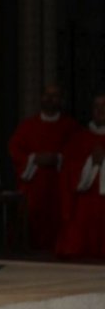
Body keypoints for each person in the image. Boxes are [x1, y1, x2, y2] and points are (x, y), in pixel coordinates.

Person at [8, 85, 82, 251]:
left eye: (54, 96)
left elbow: (78, 154)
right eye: (47, 95)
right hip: (34, 185)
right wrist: (34, 158)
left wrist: (58, 158)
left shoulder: (70, 127)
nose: (50, 99)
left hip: (59, 185)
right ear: (41, 98)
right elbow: (15, 149)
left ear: (61, 99)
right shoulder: (28, 126)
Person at [55, 92, 105, 259]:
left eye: (104, 106)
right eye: (97, 107)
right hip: (85, 202)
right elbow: (68, 170)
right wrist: (91, 161)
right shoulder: (79, 138)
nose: (100, 110)